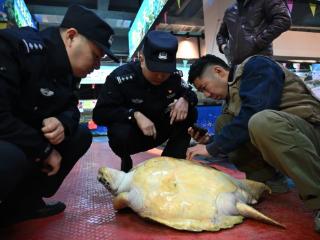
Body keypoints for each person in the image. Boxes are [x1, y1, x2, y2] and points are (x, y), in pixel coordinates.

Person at [0, 4, 117, 225]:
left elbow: (72, 109)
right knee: (9, 159)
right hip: (8, 141)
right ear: (71, 36)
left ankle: (24, 204)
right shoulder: (15, 47)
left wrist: (62, 122)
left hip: (25, 140)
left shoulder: (69, 72)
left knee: (80, 135)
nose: (97, 64)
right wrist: (43, 149)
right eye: (95, 55)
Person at [186, 54, 320, 232]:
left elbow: (257, 110)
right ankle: (267, 182)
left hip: (312, 133)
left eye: (205, 87)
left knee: (262, 121)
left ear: (218, 71)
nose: (207, 94)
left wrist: (212, 148)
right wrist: (210, 141)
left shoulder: (257, 66)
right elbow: (239, 128)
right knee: (224, 122)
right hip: (292, 136)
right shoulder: (231, 97)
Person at [93, 30, 198, 172]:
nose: (161, 76)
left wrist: (185, 99)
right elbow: (99, 114)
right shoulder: (120, 78)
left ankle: (170, 163)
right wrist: (133, 114)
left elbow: (191, 94)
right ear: (142, 60)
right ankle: (125, 157)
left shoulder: (174, 77)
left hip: (160, 131)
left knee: (191, 112)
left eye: (165, 70)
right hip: (132, 136)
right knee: (119, 133)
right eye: (155, 70)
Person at [216, 0, 291, 65]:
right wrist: (224, 48)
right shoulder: (230, 10)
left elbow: (284, 19)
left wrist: (258, 42)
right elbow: (221, 35)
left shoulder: (264, 1)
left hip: (260, 62)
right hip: (236, 67)